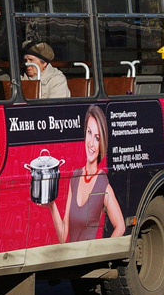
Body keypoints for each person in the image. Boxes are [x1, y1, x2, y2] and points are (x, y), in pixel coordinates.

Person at [49, 104, 125, 242]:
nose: (91, 143)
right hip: (71, 259)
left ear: (102, 143)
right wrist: (51, 205)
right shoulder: (76, 176)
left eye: (97, 138)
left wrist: (103, 253)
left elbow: (120, 226)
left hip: (89, 260)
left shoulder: (103, 185)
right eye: (89, 133)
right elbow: (62, 235)